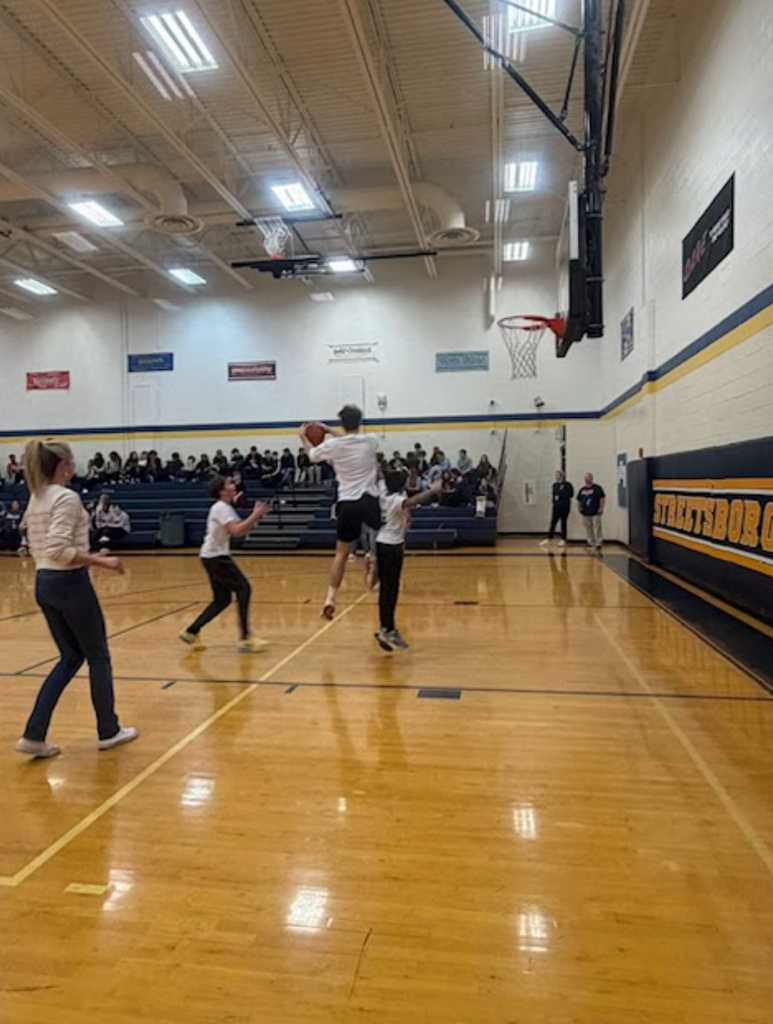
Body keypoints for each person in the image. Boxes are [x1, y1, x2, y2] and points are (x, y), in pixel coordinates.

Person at [15, 439, 138, 759]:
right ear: (64, 466)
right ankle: (108, 730)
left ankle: (34, 734)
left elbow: (39, 545)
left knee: (70, 657)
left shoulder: (37, 497)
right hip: (68, 582)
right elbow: (58, 550)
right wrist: (101, 560)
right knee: (98, 656)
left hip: (44, 582)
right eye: (71, 461)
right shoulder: (66, 498)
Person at [300, 405, 380, 620]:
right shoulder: (371, 440)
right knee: (386, 539)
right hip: (369, 499)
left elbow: (312, 455)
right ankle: (373, 563)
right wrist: (330, 430)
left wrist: (303, 437)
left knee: (341, 554)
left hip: (347, 502)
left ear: (342, 423)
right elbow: (350, 439)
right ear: (359, 422)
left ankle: (330, 598)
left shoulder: (334, 446)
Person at [179, 475, 271, 652]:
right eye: (229, 483)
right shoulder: (221, 508)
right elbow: (236, 531)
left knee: (222, 600)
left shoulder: (224, 508)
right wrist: (255, 515)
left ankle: (191, 631)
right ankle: (245, 638)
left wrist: (256, 516)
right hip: (216, 557)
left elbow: (240, 529)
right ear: (222, 491)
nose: (234, 485)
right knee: (244, 589)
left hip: (211, 556)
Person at [374, 470, 442, 652]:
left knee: (387, 590)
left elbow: (382, 476)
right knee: (390, 590)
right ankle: (386, 629)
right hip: (391, 547)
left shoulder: (383, 492)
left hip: (384, 543)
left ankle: (386, 627)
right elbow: (413, 501)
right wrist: (433, 490)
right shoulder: (395, 500)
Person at [540, 471, 575, 548]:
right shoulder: (555, 485)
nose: (556, 477)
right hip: (556, 506)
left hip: (565, 507)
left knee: (563, 522)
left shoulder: (568, 485)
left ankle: (563, 539)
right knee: (553, 522)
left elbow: (571, 494)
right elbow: (554, 494)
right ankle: (549, 538)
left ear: (562, 476)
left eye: (558, 475)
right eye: (556, 475)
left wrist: (563, 491)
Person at [577, 472, 606, 549]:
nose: (587, 480)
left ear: (591, 479)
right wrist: (579, 507)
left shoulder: (597, 488)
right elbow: (579, 499)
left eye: (588, 478)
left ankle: (598, 542)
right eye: (586, 478)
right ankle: (590, 541)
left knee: (597, 526)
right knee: (588, 527)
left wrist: (601, 507)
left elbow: (601, 498)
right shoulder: (582, 489)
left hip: (595, 511)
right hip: (585, 512)